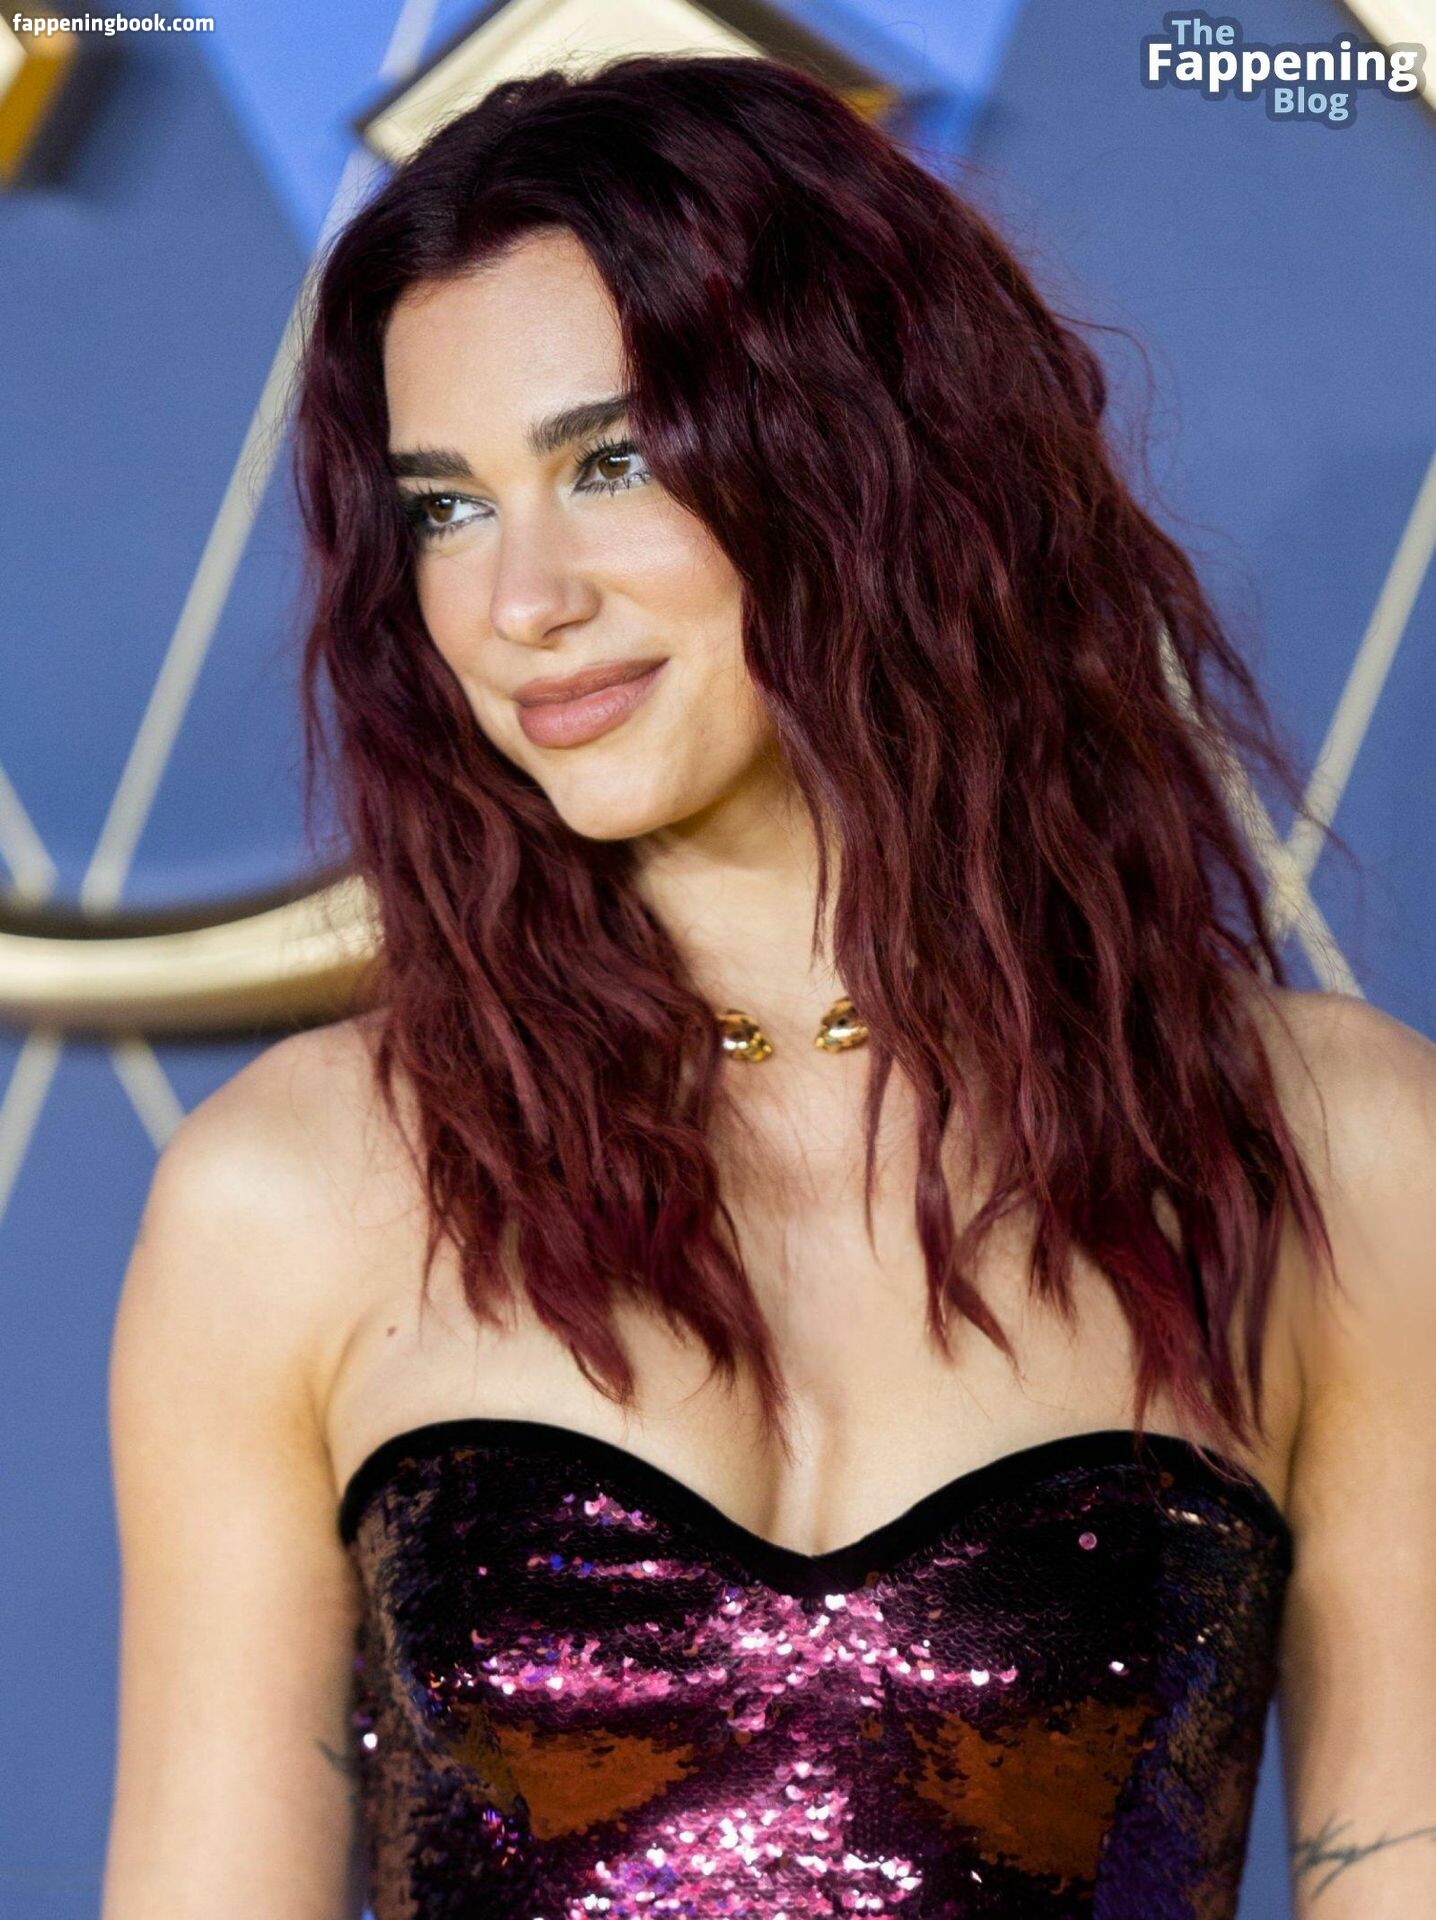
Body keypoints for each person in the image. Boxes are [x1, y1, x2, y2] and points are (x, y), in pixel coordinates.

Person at [100, 52, 1435, 1920]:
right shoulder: (287, 1193)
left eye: (611, 464)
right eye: (447, 508)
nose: (520, 601)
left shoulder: (1337, 1150)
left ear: (866, 459)